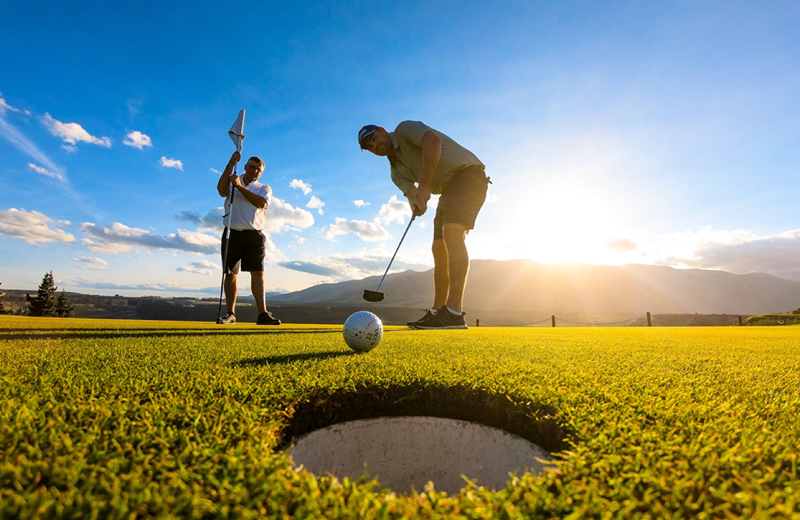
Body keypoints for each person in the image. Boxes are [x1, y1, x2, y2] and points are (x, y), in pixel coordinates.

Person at [358, 121, 491, 330]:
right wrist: (417, 204)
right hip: (448, 190)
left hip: (468, 174)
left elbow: (433, 140)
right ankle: (438, 311)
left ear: (383, 130)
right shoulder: (396, 172)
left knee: (452, 233)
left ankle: (455, 312)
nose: (375, 146)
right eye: (370, 147)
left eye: (374, 139)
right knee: (438, 248)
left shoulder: (404, 129)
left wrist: (425, 185)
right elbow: (413, 196)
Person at [216, 151, 281, 325]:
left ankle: (262, 314)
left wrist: (239, 187)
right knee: (230, 274)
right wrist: (230, 163)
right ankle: (230, 314)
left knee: (258, 274)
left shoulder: (263, 188)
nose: (254, 171)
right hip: (232, 232)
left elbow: (262, 204)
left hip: (254, 234)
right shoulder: (231, 181)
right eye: (251, 167)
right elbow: (222, 191)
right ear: (245, 166)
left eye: (258, 170)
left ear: (261, 173)